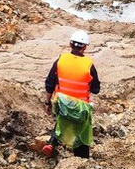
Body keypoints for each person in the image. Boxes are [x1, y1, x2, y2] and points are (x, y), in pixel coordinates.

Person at [42, 30, 100, 159]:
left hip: (61, 103)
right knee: (81, 132)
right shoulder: (89, 65)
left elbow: (49, 83)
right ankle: (81, 159)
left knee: (62, 120)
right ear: (84, 47)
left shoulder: (60, 60)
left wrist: (47, 103)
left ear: (70, 44)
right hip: (80, 108)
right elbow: (96, 89)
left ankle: (52, 143)